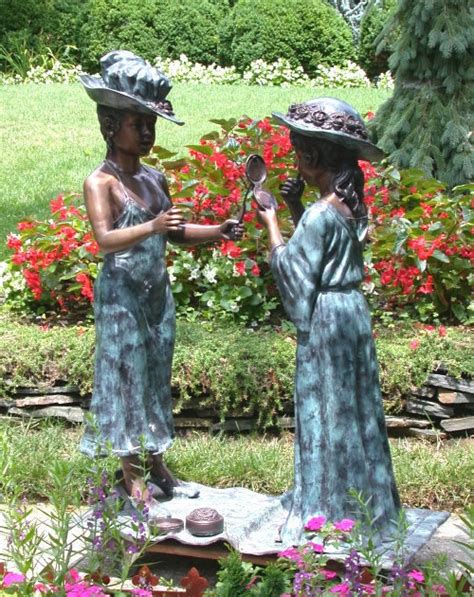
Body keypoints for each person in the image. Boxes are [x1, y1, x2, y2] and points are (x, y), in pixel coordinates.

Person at [79, 50, 243, 509]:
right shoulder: (102, 183)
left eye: (151, 125)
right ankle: (133, 477)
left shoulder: (153, 179)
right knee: (126, 381)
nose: (148, 134)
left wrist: (218, 230)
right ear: (111, 126)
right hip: (122, 298)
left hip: (157, 298)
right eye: (139, 124)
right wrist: (151, 227)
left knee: (154, 381)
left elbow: (175, 232)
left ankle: (158, 465)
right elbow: (105, 240)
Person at [257, 97, 400, 545]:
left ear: (313, 156)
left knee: (323, 410)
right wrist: (298, 210)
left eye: (298, 151)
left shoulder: (320, 214)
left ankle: (322, 508)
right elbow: (328, 251)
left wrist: (272, 222)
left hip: (325, 320)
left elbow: (297, 275)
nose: (295, 160)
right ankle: (361, 503)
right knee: (352, 411)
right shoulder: (348, 205)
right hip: (352, 314)